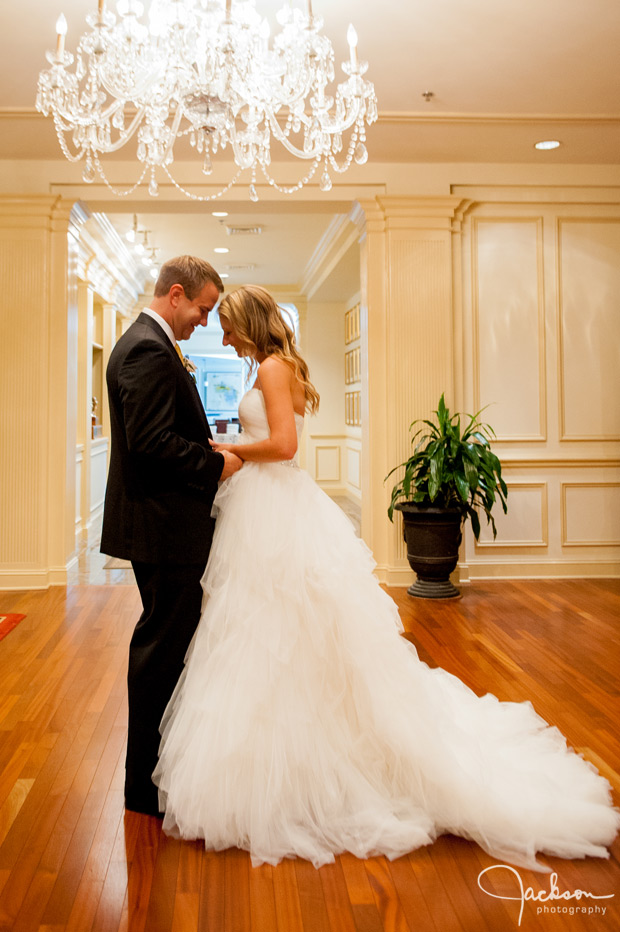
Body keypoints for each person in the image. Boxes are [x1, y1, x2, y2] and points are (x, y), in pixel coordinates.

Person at [153, 284, 619, 869]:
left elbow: (285, 445)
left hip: (272, 508)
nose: (222, 336)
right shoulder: (274, 364)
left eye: (228, 326)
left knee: (274, 625)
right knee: (270, 629)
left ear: (248, 323)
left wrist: (229, 448)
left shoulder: (271, 367)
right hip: (268, 507)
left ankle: (310, 765)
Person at [101, 256, 242, 817]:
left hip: (165, 524)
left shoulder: (151, 344)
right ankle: (144, 786)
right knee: (161, 650)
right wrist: (215, 465)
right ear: (177, 294)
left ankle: (158, 772)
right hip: (163, 528)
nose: (204, 323)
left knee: (168, 646)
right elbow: (152, 442)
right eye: (203, 310)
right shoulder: (146, 348)